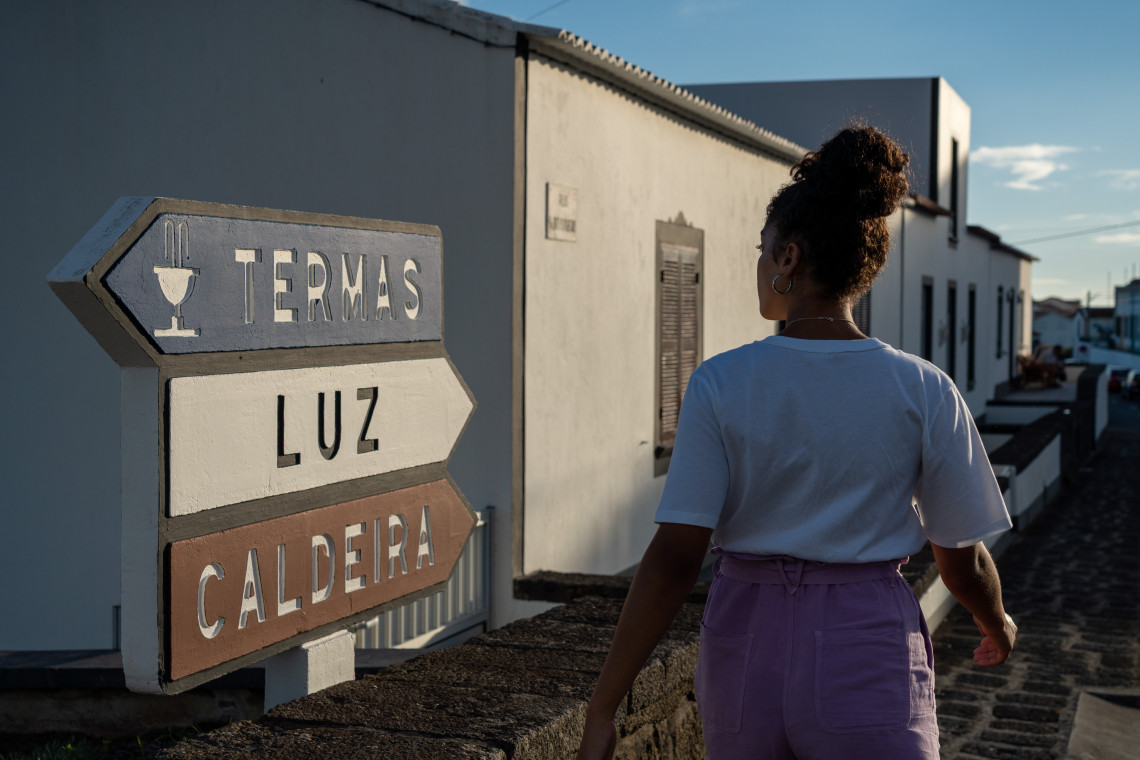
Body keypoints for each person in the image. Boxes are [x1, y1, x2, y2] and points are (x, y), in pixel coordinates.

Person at [576, 125, 1017, 760]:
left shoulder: (720, 383)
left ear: (789, 259)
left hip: (743, 651)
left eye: (764, 249)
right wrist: (996, 621)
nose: (758, 263)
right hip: (867, 645)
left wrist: (603, 706)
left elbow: (676, 557)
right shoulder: (923, 389)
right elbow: (962, 561)